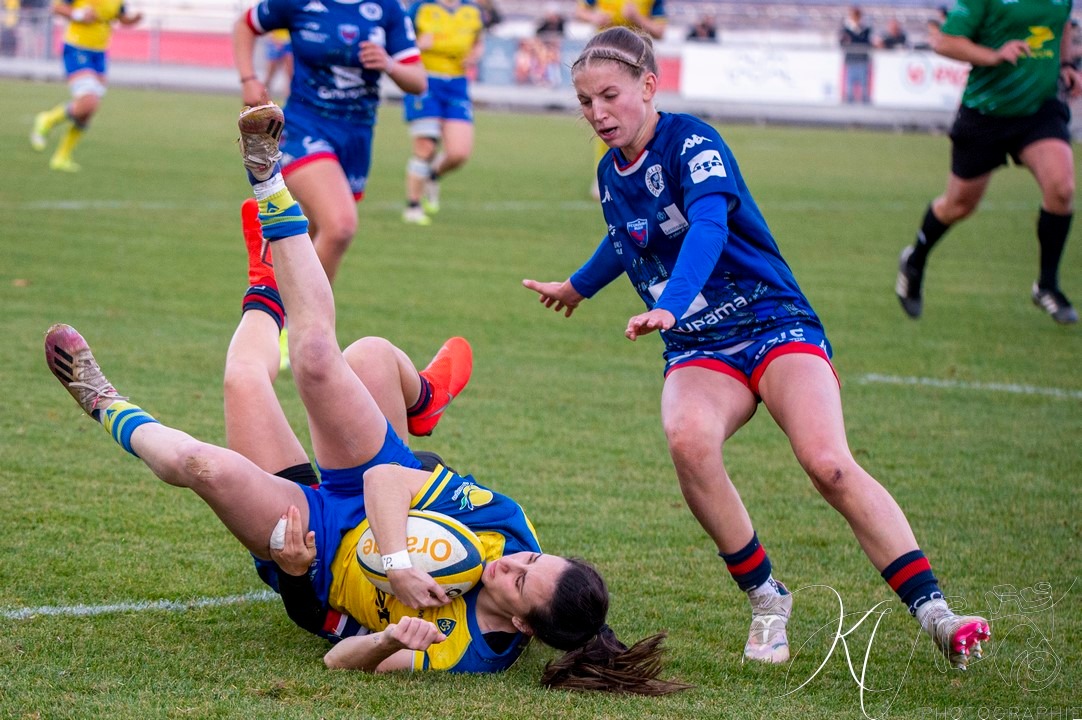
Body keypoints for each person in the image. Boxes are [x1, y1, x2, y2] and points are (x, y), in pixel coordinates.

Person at [42, 102, 688, 694]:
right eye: (532, 558)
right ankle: (268, 177)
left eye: (519, 581)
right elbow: (385, 477)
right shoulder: (502, 529)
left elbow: (338, 661)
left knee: (215, 441)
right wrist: (400, 565)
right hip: (367, 488)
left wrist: (386, 638)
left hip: (316, 548)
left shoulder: (465, 650)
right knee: (322, 358)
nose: (510, 563)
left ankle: (105, 398)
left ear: (521, 625)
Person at [522, 27, 991, 670]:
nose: (597, 113)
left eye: (610, 95)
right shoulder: (610, 172)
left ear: (649, 86)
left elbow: (707, 226)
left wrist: (671, 301)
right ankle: (768, 599)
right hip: (699, 344)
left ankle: (937, 614)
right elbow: (627, 236)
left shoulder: (693, 143)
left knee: (827, 463)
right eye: (585, 102)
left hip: (772, 322)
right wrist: (577, 287)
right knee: (688, 440)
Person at [896, 0, 1080, 324]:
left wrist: (1067, 65)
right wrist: (994, 55)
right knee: (958, 205)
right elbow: (944, 42)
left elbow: (1062, 22)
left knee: (1062, 188)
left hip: (1039, 110)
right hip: (986, 112)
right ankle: (915, 260)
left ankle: (1047, 285)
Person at [232, 0, 426, 286]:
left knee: (309, 237)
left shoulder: (388, 8)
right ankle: (304, 312)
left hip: (357, 135)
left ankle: (274, 303)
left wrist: (389, 64)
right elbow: (245, 25)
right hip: (304, 127)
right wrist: (249, 79)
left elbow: (418, 81)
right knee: (339, 226)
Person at [28, 0, 142, 172]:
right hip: (77, 48)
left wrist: (134, 19)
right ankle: (47, 119)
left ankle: (62, 156)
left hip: (100, 54)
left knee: (88, 110)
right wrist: (79, 14)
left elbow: (121, 17)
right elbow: (56, 7)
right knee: (88, 101)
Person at [400, 0, 485, 226]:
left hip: (457, 84)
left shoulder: (472, 10)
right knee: (426, 146)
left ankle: (431, 175)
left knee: (459, 153)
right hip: (424, 81)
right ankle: (413, 206)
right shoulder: (421, 8)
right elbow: (399, 43)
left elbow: (478, 42)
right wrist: (418, 45)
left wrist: (474, 56)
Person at [574, 0, 667, 200]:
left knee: (640, 122)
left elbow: (660, 31)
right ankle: (607, 174)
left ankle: (646, 173)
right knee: (606, 119)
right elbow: (580, 12)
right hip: (601, 63)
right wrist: (595, 17)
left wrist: (637, 18)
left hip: (636, 65)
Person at [840, 6, 873, 104]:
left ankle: (865, 106)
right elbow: (842, 43)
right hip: (851, 61)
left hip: (863, 61)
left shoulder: (866, 29)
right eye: (854, 15)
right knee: (850, 87)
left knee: (864, 86)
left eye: (857, 15)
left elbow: (866, 42)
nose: (855, 18)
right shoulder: (846, 29)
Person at [262, 28, 293, 101]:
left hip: (289, 41)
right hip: (275, 40)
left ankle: (289, 101)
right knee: (270, 73)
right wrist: (272, 38)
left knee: (290, 75)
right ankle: (263, 98)